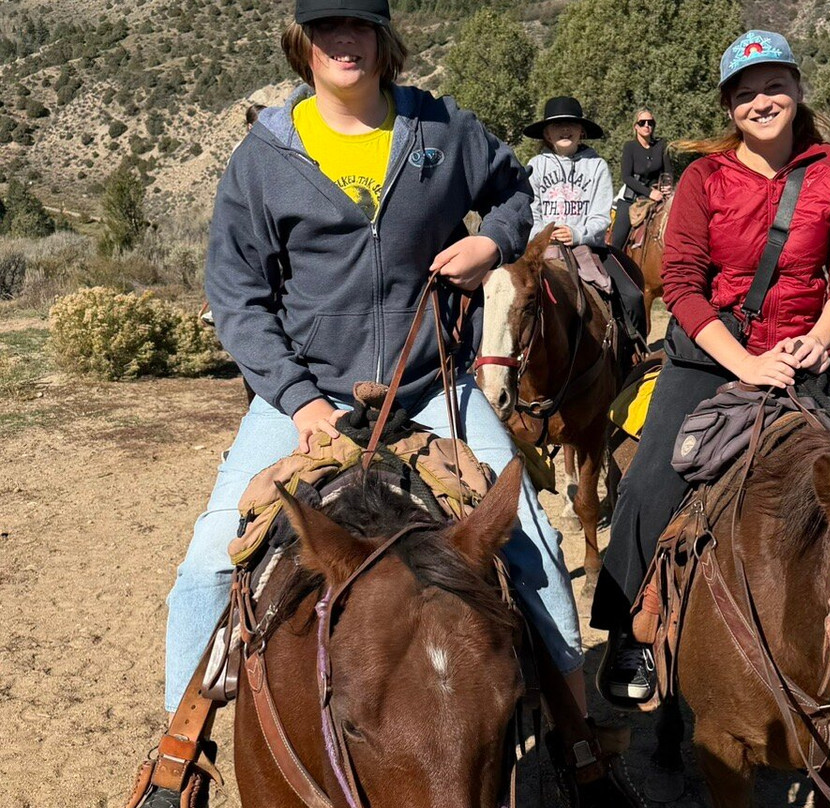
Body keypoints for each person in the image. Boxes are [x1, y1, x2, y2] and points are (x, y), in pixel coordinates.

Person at [138, 1, 589, 803]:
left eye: (359, 26)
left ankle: (579, 742)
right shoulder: (264, 158)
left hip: (431, 387)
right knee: (208, 562)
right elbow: (238, 297)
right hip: (302, 399)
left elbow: (515, 193)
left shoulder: (443, 130)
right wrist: (298, 401)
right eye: (327, 28)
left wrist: (491, 241)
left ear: (384, 41)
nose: (344, 42)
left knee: (535, 547)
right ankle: (179, 762)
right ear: (302, 44)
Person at [590, 29, 830, 705]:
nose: (761, 102)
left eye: (773, 86)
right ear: (729, 107)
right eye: (745, 94)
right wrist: (746, 362)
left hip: (803, 350)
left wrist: (820, 338)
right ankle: (627, 632)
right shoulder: (704, 178)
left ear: (796, 89)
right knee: (647, 485)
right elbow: (682, 287)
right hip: (712, 353)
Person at [523, 96, 647, 348]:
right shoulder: (535, 166)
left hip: (588, 246)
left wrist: (577, 234)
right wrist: (544, 234)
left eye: (571, 124)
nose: (564, 129)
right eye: (557, 125)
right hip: (543, 247)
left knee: (632, 295)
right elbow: (530, 211)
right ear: (547, 133)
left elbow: (601, 215)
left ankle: (633, 349)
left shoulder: (596, 165)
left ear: (582, 131)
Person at [609, 107, 673, 251]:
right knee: (618, 241)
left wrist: (667, 186)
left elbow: (668, 172)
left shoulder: (662, 145)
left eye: (650, 123)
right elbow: (626, 177)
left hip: (658, 195)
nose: (646, 125)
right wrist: (649, 193)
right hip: (633, 197)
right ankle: (614, 262)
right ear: (636, 126)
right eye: (642, 122)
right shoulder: (630, 147)